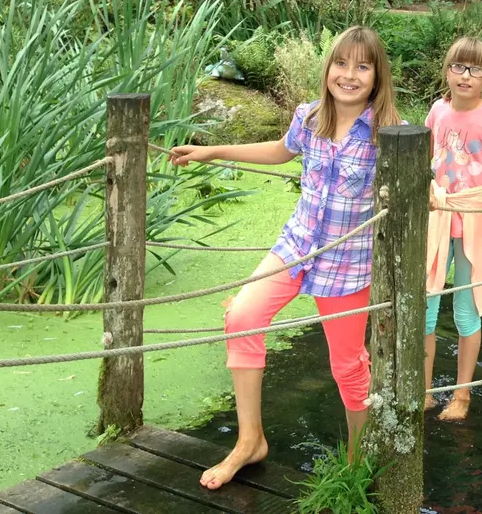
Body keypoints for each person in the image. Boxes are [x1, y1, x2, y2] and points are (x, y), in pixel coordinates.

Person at [168, 26, 401, 490]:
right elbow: (280, 151)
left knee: (348, 365)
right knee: (242, 316)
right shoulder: (309, 116)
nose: (349, 75)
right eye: (341, 63)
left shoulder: (389, 132)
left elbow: (418, 184)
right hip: (294, 247)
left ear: (377, 77)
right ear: (328, 68)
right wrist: (212, 150)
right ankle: (249, 441)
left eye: (362, 66)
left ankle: (358, 463)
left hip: (347, 263)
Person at [424, 38, 482, 422]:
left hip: (474, 217)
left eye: (475, 69)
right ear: (446, 71)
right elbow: (428, 161)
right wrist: (430, 187)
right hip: (436, 215)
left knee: (466, 311)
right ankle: (425, 389)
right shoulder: (437, 111)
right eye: (459, 67)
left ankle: (462, 395)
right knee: (425, 307)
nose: (466, 76)